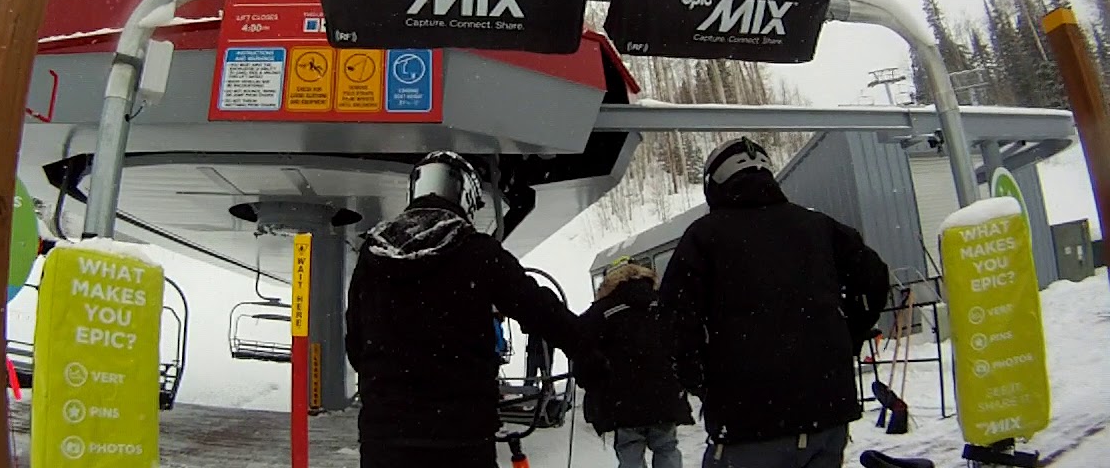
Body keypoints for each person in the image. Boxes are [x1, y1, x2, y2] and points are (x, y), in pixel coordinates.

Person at [345, 150, 604, 468]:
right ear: (466, 196)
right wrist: (590, 354)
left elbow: (355, 345)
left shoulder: (372, 256)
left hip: (385, 437)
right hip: (460, 435)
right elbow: (541, 310)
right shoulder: (478, 252)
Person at [657, 137, 890, 468]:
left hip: (749, 419)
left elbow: (673, 323)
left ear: (715, 184)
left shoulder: (704, 236)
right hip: (827, 410)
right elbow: (874, 279)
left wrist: (703, 380)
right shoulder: (819, 226)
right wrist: (842, 338)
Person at [579, 258, 694, 468]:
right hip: (664, 395)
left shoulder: (602, 312)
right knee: (666, 446)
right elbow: (684, 342)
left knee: (630, 449)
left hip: (623, 400)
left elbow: (583, 349)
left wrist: (589, 382)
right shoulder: (664, 303)